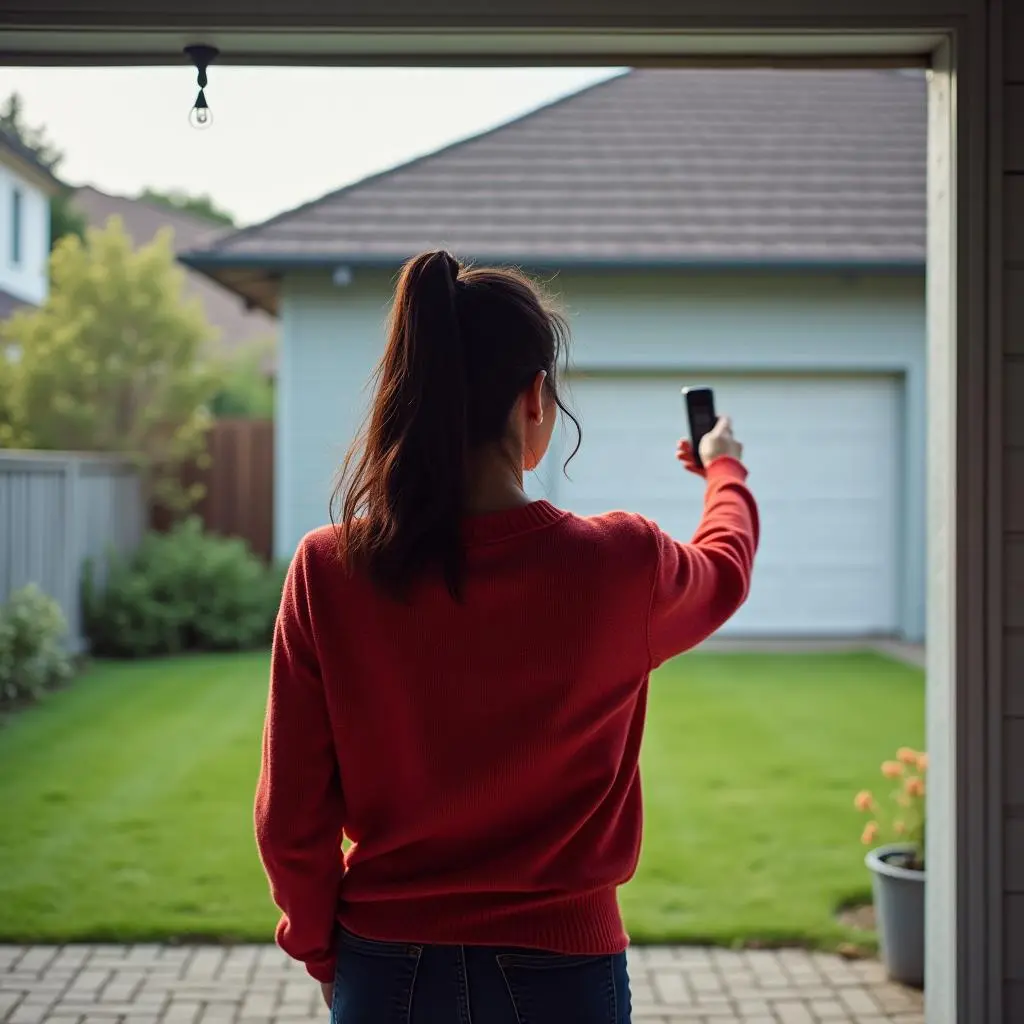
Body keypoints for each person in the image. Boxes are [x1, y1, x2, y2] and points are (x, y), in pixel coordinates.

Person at [254, 250, 759, 1024]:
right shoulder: (621, 562)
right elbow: (725, 567)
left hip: (384, 967)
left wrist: (326, 954)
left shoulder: (327, 570)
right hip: (564, 972)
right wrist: (724, 473)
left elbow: (290, 818)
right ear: (534, 399)